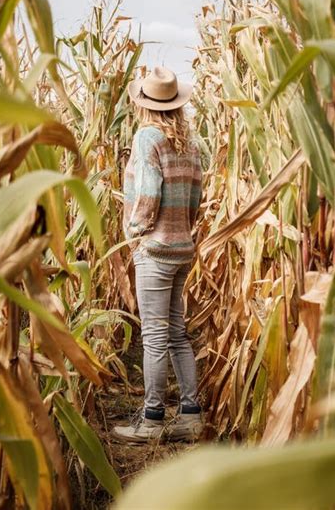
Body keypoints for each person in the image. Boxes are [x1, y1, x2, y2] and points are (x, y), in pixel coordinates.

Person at [111, 66, 203, 444]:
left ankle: (151, 419)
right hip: (183, 248)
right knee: (177, 333)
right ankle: (190, 415)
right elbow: (195, 198)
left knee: (154, 336)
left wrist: (135, 233)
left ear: (144, 104)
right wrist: (182, 227)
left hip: (156, 250)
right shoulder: (189, 143)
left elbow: (148, 193)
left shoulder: (147, 136)